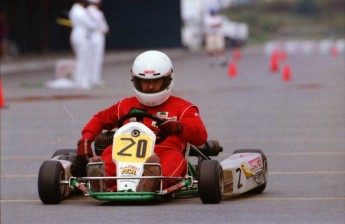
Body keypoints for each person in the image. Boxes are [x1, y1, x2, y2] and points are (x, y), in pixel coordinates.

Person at [77, 50, 208, 192]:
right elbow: (100, 118)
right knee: (110, 152)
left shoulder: (183, 108)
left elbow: (201, 136)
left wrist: (179, 128)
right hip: (125, 154)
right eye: (145, 82)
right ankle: (101, 180)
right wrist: (86, 138)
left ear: (167, 80)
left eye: (155, 82)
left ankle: (154, 182)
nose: (150, 87)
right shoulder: (126, 105)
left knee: (174, 159)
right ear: (136, 80)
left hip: (163, 152)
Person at [69, 0, 96, 89]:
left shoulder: (78, 9)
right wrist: (94, 24)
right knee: (83, 59)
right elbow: (89, 23)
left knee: (83, 58)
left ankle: (81, 79)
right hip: (81, 34)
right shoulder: (78, 10)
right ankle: (81, 81)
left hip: (81, 33)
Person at [87, 0, 109, 87]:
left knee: (92, 58)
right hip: (97, 35)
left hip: (90, 36)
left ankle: (92, 78)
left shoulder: (86, 11)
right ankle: (94, 79)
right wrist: (106, 29)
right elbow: (102, 25)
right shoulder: (96, 12)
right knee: (96, 58)